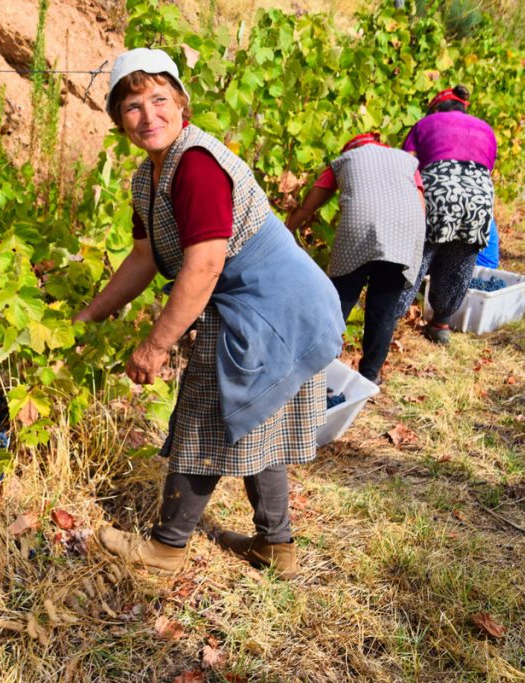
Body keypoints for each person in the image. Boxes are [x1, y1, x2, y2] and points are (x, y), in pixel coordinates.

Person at [74, 48, 344, 579]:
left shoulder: (196, 164)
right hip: (265, 303)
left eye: (158, 99)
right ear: (118, 120)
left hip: (274, 308)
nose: (148, 115)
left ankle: (167, 547)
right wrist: (92, 314)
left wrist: (154, 345)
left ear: (182, 106)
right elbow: (146, 256)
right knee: (255, 419)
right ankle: (277, 546)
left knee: (205, 417)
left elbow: (205, 262)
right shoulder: (146, 179)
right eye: (131, 105)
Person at [285, 133, 426, 384]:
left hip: (360, 227)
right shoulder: (406, 161)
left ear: (351, 147)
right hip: (406, 229)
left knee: (338, 301)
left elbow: (310, 205)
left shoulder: (345, 159)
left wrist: (285, 231)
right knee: (383, 309)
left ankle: (314, 369)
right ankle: (370, 377)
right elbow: (420, 204)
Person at [396, 85, 497, 343]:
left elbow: (407, 165)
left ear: (436, 108)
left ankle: (391, 318)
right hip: (480, 200)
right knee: (460, 261)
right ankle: (441, 325)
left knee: (416, 258)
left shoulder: (425, 123)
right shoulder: (486, 129)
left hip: (438, 193)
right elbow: (487, 172)